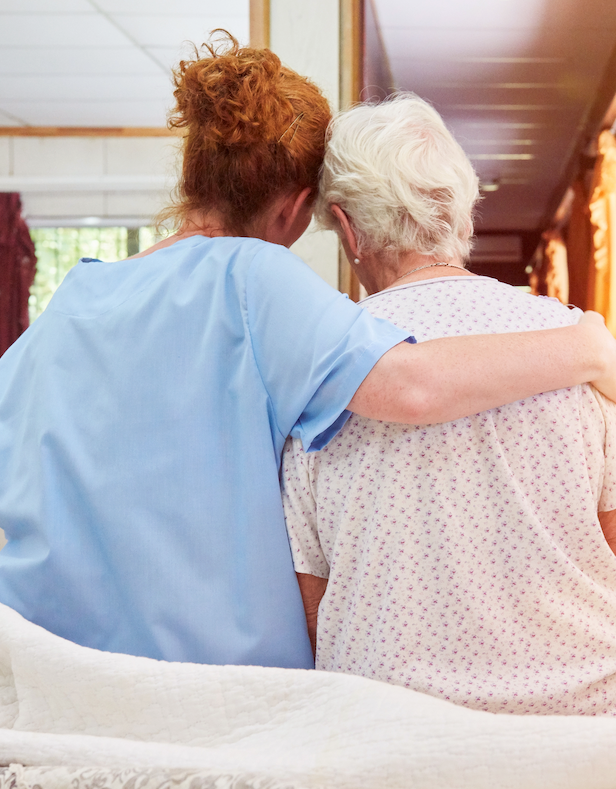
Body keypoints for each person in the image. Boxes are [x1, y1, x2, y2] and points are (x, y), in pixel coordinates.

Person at [0, 39, 614, 672]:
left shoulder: (77, 295)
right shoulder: (252, 276)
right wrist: (586, 345)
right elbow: (413, 386)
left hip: (51, 669)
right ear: (294, 206)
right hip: (215, 691)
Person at [281, 93, 616, 714]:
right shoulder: (575, 346)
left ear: (348, 229)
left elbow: (308, 600)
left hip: (395, 732)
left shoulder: (322, 375)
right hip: (584, 725)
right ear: (462, 216)